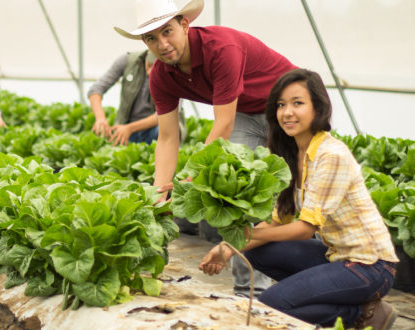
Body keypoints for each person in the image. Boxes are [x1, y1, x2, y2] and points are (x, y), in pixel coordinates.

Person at [114, 0, 296, 297]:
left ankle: (333, 275)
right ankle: (249, 292)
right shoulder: (161, 75)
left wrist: (190, 179)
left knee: (299, 198)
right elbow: (168, 137)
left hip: (288, 109)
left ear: (184, 25)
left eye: (167, 31)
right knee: (241, 195)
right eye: (151, 38)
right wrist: (160, 191)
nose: (162, 44)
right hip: (247, 116)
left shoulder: (220, 49)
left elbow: (222, 125)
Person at [199, 68, 399, 329]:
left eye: (297, 103)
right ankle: (330, 299)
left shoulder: (331, 155)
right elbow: (278, 221)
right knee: (257, 252)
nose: (287, 112)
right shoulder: (292, 154)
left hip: (370, 266)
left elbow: (305, 229)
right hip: (335, 254)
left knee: (270, 305)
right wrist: (232, 246)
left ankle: (361, 312)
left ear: (318, 107)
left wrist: (237, 241)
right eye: (281, 105)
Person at [88, 50, 186, 145]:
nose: (150, 72)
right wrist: (100, 118)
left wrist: (130, 128)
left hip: (155, 130)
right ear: (147, 55)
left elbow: (168, 112)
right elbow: (96, 89)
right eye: (149, 65)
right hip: (126, 128)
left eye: (157, 67)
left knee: (165, 129)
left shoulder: (175, 71)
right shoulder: (128, 60)